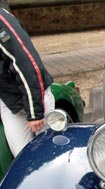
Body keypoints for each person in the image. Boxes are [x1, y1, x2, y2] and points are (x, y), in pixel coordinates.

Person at [0, 7, 54, 157]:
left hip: (33, 97)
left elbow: (26, 63)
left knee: (46, 156)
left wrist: (34, 113)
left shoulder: (2, 20)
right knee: (22, 158)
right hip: (9, 103)